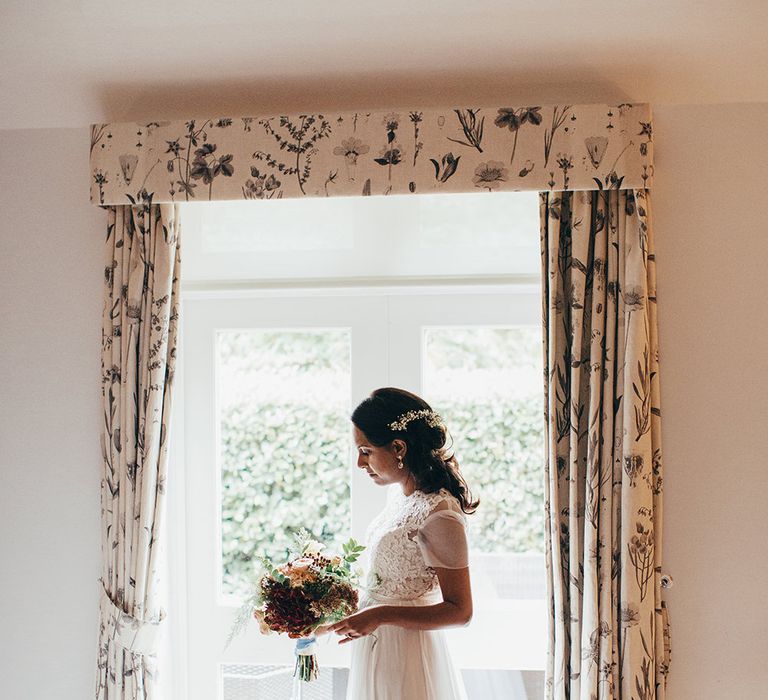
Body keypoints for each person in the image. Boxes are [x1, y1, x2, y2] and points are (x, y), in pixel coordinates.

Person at [323, 387, 479, 700]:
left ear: (398, 448)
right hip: (378, 644)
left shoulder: (440, 513)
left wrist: (379, 615)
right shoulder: (403, 498)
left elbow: (460, 611)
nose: (359, 462)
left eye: (366, 451)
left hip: (407, 652)